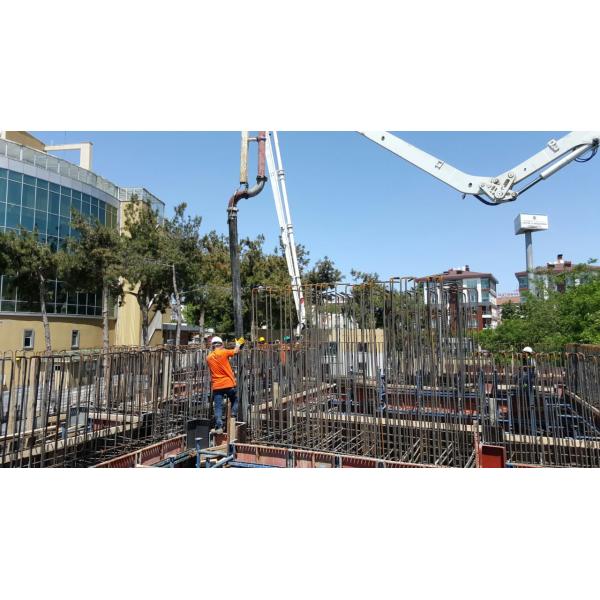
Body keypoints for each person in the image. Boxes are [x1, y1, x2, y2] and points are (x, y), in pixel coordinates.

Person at [206, 335, 245, 434]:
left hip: (217, 386)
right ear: (221, 344)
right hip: (228, 384)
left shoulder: (208, 358)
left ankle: (219, 427)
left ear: (212, 346)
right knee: (235, 399)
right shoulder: (224, 352)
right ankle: (233, 414)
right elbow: (236, 351)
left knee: (218, 407)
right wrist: (238, 344)